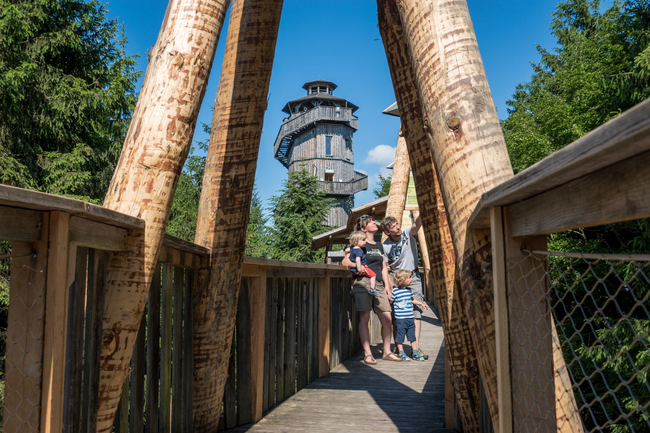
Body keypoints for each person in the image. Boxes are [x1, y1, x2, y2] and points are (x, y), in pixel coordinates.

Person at [341, 215, 402, 363]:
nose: (375, 223)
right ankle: (368, 354)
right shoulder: (358, 243)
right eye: (371, 222)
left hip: (379, 284)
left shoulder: (378, 245)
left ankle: (387, 352)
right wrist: (358, 266)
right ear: (363, 228)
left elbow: (383, 267)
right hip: (363, 282)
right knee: (365, 318)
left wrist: (388, 285)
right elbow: (345, 261)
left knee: (387, 319)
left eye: (375, 221)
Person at [381, 212, 429, 360]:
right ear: (387, 232)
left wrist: (423, 207)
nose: (397, 227)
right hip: (395, 278)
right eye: (393, 227)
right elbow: (384, 266)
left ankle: (415, 348)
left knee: (416, 312)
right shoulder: (385, 246)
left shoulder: (408, 234)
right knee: (397, 315)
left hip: (412, 276)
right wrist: (388, 285)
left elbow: (417, 224)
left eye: (397, 224)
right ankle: (398, 347)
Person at [392, 269, 429, 361]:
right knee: (400, 336)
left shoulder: (409, 290)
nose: (411, 279)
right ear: (402, 281)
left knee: (412, 336)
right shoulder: (395, 291)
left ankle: (415, 352)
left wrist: (421, 303)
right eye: (409, 277)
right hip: (400, 319)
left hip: (410, 318)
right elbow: (390, 300)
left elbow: (412, 300)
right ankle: (401, 352)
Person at [348, 231, 378, 297]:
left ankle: (352, 290)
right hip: (359, 269)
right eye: (363, 240)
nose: (365, 242)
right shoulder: (359, 250)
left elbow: (347, 250)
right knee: (373, 275)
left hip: (352, 270)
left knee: (353, 279)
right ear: (356, 241)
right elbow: (358, 260)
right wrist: (359, 269)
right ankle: (372, 289)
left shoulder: (352, 248)